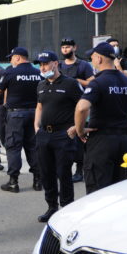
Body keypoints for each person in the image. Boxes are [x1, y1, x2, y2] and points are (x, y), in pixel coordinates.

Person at [74, 42, 127, 194]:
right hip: (124, 142)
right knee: (122, 189)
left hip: (101, 142)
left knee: (98, 190)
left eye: (92, 58)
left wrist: (80, 130)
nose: (92, 62)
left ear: (99, 59)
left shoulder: (98, 83)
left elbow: (82, 107)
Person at [33, 51, 82, 222]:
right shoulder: (41, 85)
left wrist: (77, 127)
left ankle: (67, 208)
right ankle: (51, 207)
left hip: (63, 135)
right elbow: (39, 107)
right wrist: (36, 127)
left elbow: (83, 106)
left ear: (55, 63)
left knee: (64, 172)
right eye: (40, 65)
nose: (43, 67)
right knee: (46, 173)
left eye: (45, 64)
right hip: (44, 135)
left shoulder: (70, 84)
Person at [0, 47, 42, 193]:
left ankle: (13, 181)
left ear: (17, 57)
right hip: (34, 113)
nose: (10, 60)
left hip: (16, 114)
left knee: (13, 146)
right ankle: (37, 180)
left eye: (11, 58)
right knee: (32, 146)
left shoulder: (10, 72)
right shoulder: (37, 72)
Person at [59, 37, 95, 182]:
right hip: (63, 108)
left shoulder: (83, 65)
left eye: (68, 47)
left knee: (80, 140)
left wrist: (78, 81)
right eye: (63, 48)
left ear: (75, 48)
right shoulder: (60, 65)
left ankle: (80, 170)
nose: (65, 50)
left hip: (79, 106)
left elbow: (92, 83)